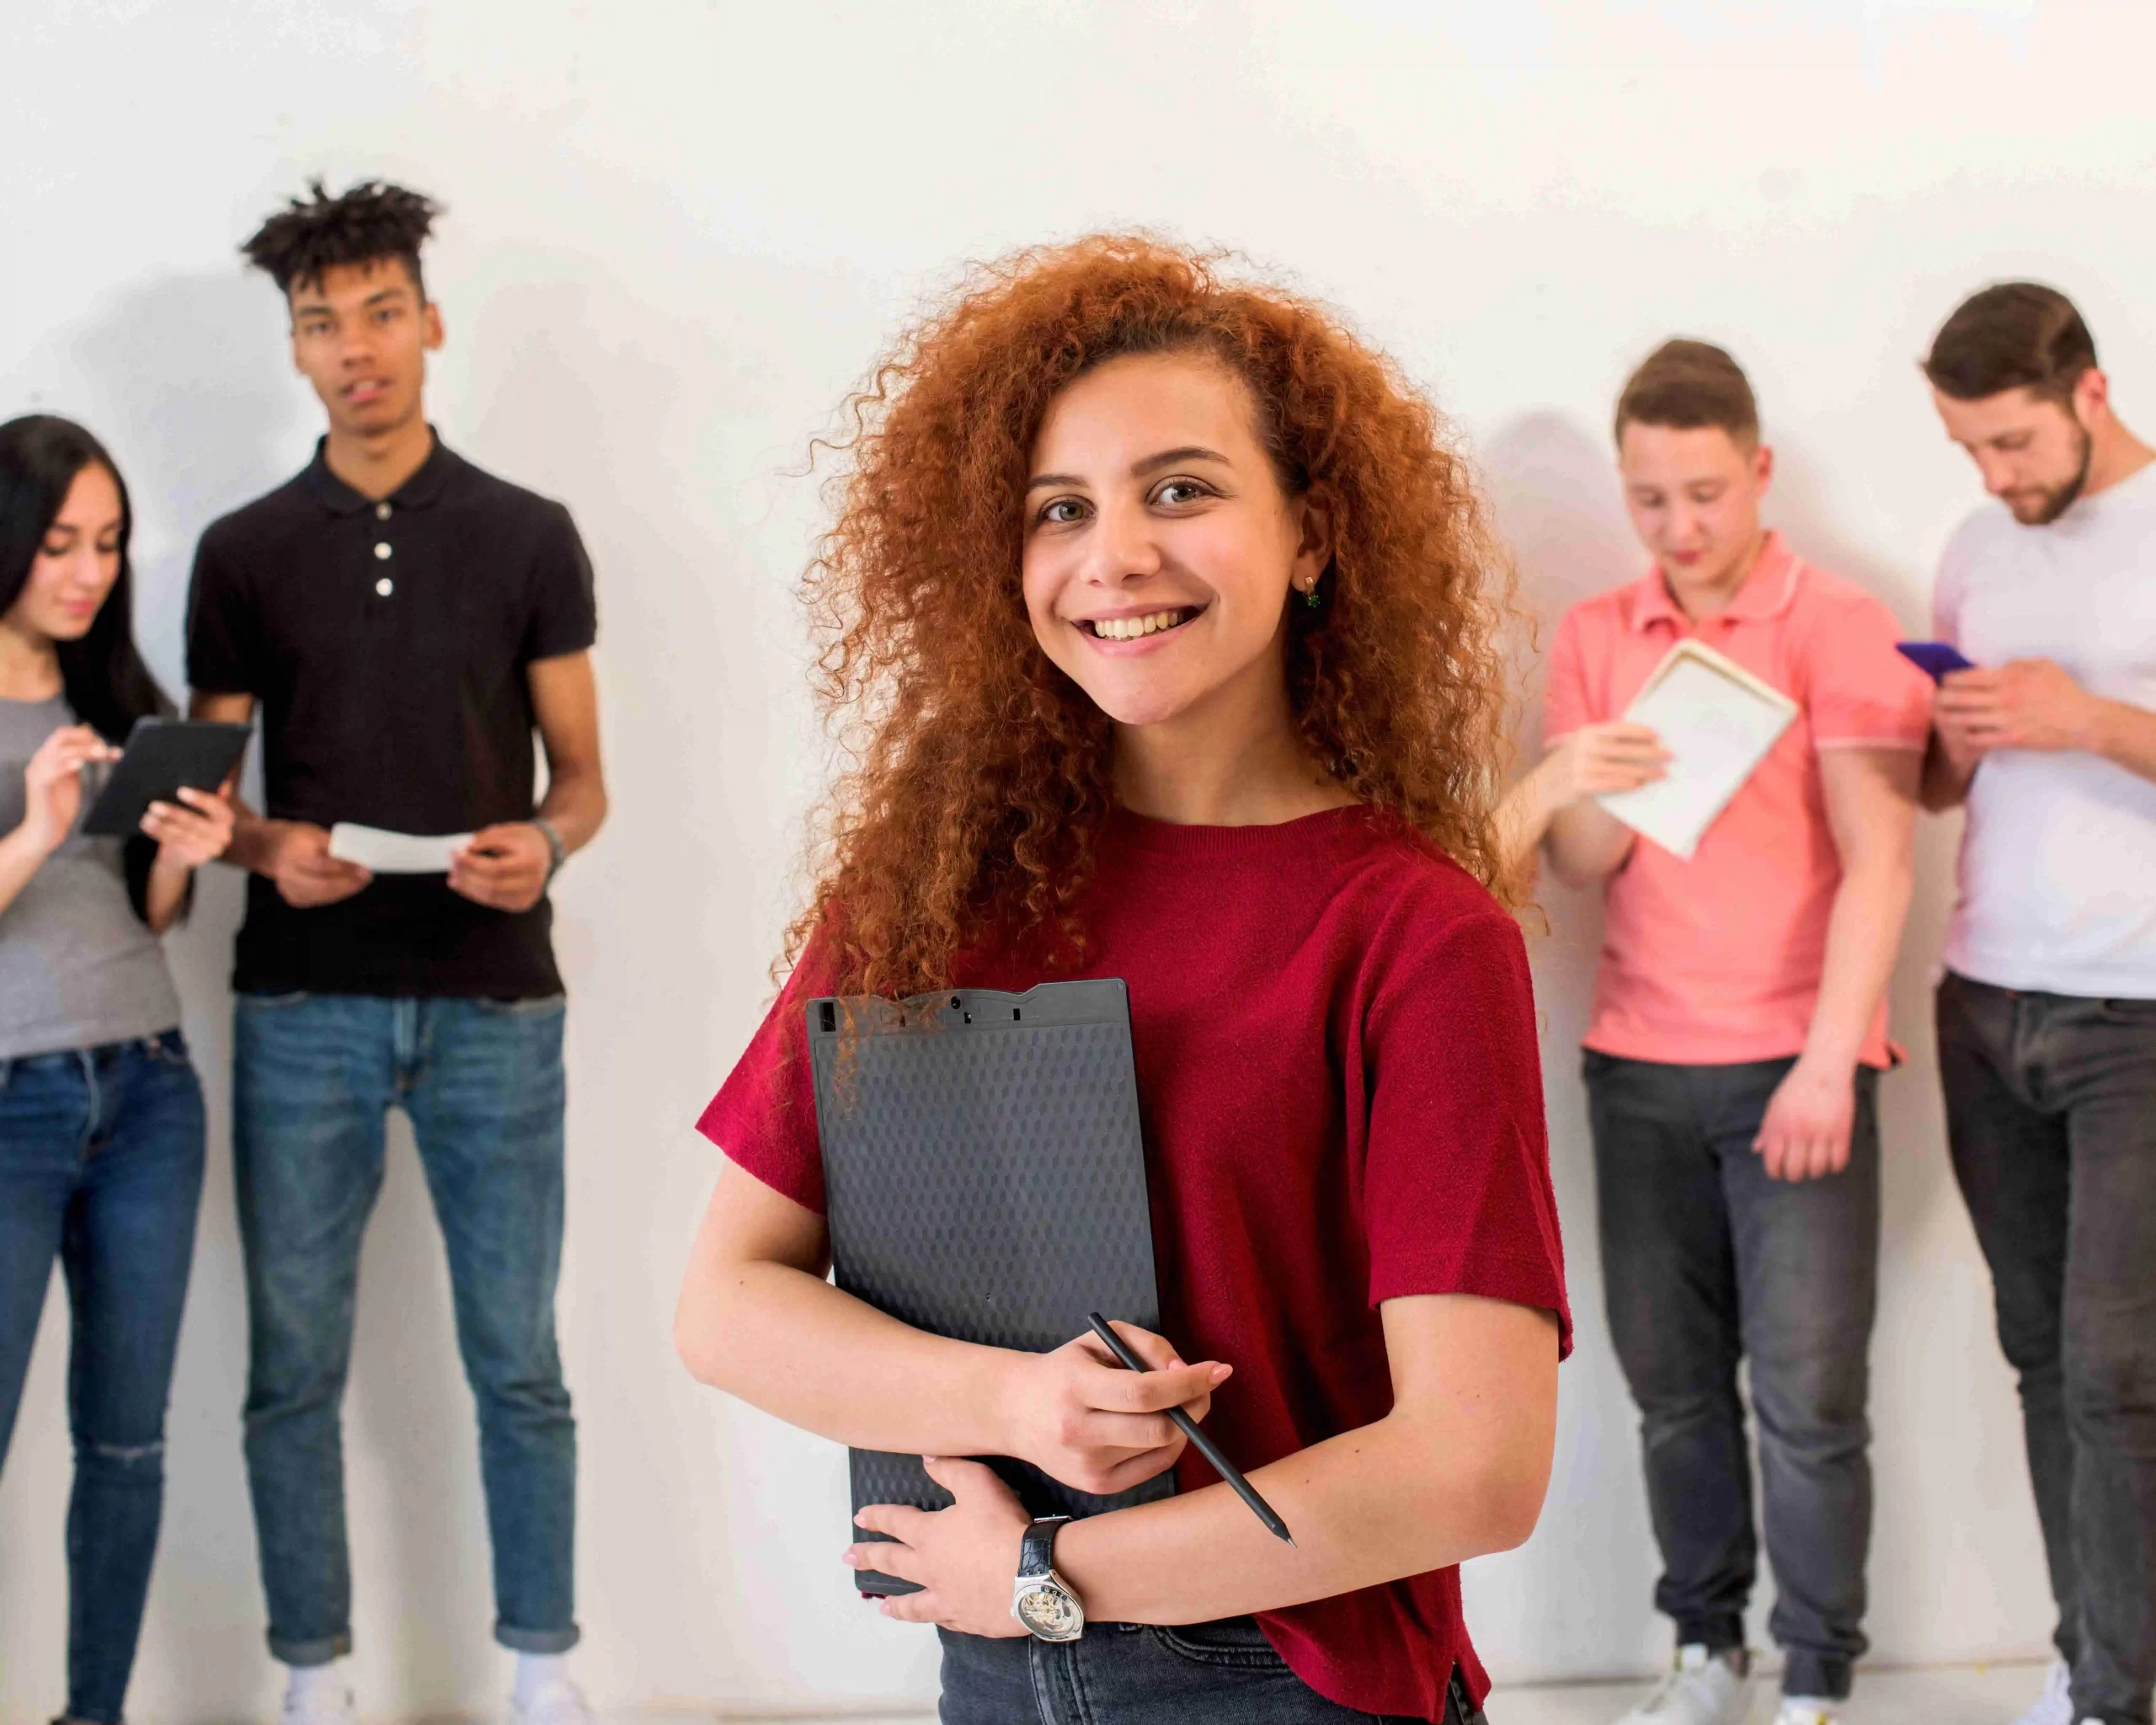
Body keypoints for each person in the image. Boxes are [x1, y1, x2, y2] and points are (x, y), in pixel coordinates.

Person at [674, 236, 1570, 1725]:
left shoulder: (1416, 934)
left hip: (1288, 1679)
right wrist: (1015, 1412)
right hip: (994, 1657)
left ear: (1313, 535)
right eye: (1059, 511)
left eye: (1182, 489)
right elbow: (726, 1306)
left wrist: (1059, 1573)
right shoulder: (927, 896)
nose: (1116, 556)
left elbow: (1476, 1468)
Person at [183, 182, 608, 1725]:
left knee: (521, 1361)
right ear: (292, 351)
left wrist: (542, 848)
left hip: (498, 1002)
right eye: (319, 323)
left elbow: (586, 783)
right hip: (301, 1007)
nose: (354, 347)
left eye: (379, 312)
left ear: (428, 323)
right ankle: (317, 1679)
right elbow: (200, 801)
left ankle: (542, 1667)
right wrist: (263, 847)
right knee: (292, 1369)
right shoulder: (241, 553)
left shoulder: (527, 535)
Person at [1497, 341, 1930, 1725]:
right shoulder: (1597, 638)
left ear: (1758, 470)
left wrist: (1827, 1058)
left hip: (1796, 1072)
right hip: (1636, 1072)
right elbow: (1575, 868)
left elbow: (1883, 863)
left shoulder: (1840, 624)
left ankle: (1814, 1677)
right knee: (1673, 1393)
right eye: (1649, 501)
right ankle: (1705, 1653)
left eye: (1702, 492)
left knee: (1809, 1403)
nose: (1681, 528)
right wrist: (1580, 772)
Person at [1919, 282, 2156, 1725]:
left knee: (2120, 1382)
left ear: (2087, 391)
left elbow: (2082, 736)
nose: (1997, 482)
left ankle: (2123, 1697)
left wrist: (2092, 720)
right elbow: (1958, 786)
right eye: (1970, 454)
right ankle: (2093, 1667)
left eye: (2012, 445)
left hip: (2139, 1015)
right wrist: (1956, 741)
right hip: (1987, 1003)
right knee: (2042, 1360)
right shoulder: (1973, 550)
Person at [0, 414, 234, 1725]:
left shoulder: (116, 693)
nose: (87, 572)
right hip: (11, 1104)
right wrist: (35, 828)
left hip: (147, 1088)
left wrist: (179, 852)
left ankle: (94, 1716)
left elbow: (141, 920)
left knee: (127, 1443)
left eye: (108, 544)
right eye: (57, 544)